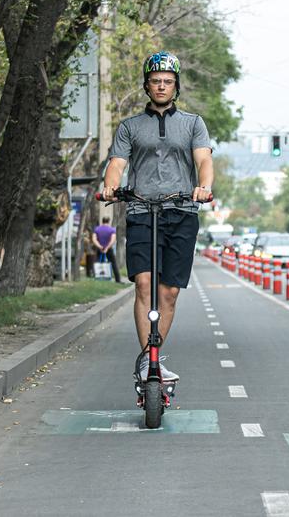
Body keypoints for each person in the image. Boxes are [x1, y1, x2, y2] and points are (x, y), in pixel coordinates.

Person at [101, 51, 213, 382]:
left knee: (169, 293)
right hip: (140, 210)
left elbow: (204, 160)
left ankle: (151, 358)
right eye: (155, 81)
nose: (161, 86)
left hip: (181, 212)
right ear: (146, 86)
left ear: (175, 86)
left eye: (167, 81)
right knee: (144, 283)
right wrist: (110, 187)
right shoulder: (130, 127)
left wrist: (203, 187)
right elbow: (117, 164)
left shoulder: (193, 123)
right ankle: (148, 361)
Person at [91, 217, 121, 282]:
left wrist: (100, 247)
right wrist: (107, 247)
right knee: (113, 263)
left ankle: (95, 277)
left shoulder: (97, 229)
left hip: (99, 249)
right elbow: (113, 240)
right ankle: (118, 280)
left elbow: (94, 239)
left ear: (102, 221)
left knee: (97, 263)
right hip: (109, 249)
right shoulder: (112, 230)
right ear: (109, 221)